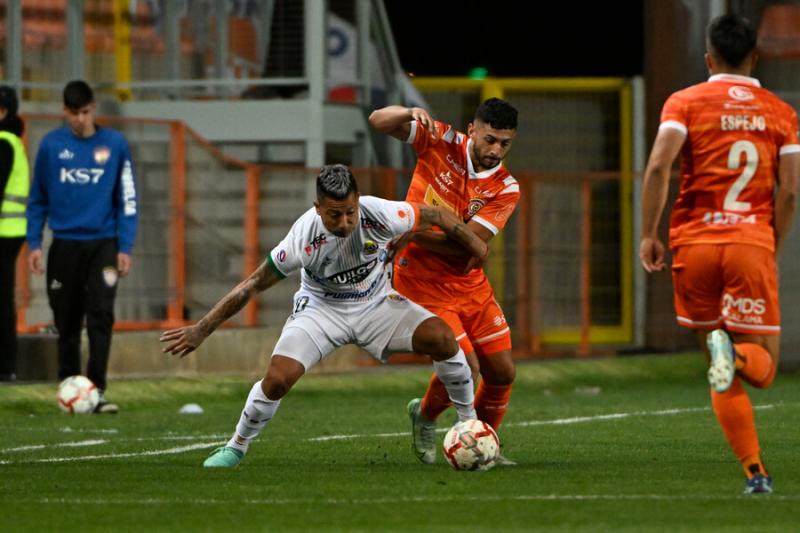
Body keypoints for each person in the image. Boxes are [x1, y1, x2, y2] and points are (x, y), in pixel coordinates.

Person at [160, 164, 488, 468]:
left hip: (376, 304)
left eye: (350, 212)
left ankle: (468, 425)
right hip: (321, 310)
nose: (345, 222)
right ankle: (236, 446)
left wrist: (476, 246)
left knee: (443, 338)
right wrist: (202, 329)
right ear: (318, 208)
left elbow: (436, 214)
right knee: (278, 379)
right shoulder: (302, 239)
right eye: (334, 215)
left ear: (358, 201)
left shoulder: (382, 214)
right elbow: (253, 285)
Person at [640, 14, 799, 495]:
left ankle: (755, 471)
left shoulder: (684, 102)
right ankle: (737, 358)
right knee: (762, 368)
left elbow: (658, 167)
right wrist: (770, 245)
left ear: (709, 59)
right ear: (755, 57)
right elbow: (790, 191)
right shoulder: (781, 113)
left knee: (718, 361)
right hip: (750, 243)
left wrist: (649, 234)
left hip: (694, 245)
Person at [368, 98, 520, 465]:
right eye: (489, 140)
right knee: (467, 366)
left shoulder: (506, 188)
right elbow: (377, 120)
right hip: (420, 279)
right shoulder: (441, 141)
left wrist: (412, 231)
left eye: (504, 143)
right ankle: (426, 417)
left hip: (469, 283)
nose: (495, 151)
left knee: (502, 372)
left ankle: (482, 445)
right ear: (472, 131)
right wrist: (408, 113)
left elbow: (467, 246)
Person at [27, 80, 138, 412]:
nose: (80, 119)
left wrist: (125, 245)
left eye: (85, 112)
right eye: (74, 113)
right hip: (64, 245)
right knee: (67, 319)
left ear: (94, 109)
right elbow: (37, 199)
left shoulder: (115, 145)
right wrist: (34, 243)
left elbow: (128, 199)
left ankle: (97, 390)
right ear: (64, 111)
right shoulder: (51, 146)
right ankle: (69, 388)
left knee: (101, 314)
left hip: (104, 244)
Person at [0, 86, 30, 382]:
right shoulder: (12, 141)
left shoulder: (3, 142)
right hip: (11, 232)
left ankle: (5, 366)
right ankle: (6, 366)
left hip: (3, 232)